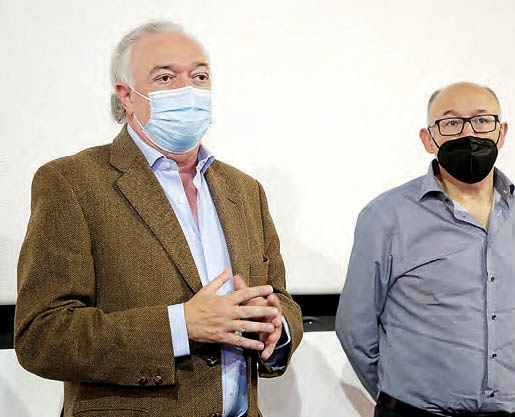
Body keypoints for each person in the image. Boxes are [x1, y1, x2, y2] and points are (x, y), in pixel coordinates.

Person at [14, 20, 302, 417]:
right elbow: (41, 335)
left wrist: (277, 329)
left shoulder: (245, 190)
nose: (188, 90)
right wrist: (180, 326)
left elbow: (281, 299)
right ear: (126, 96)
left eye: (199, 76)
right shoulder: (72, 183)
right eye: (166, 77)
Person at [336, 82, 515, 417]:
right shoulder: (386, 216)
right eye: (451, 123)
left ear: (502, 133)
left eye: (482, 120)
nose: (468, 133)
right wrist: (397, 397)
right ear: (428, 139)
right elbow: (354, 326)